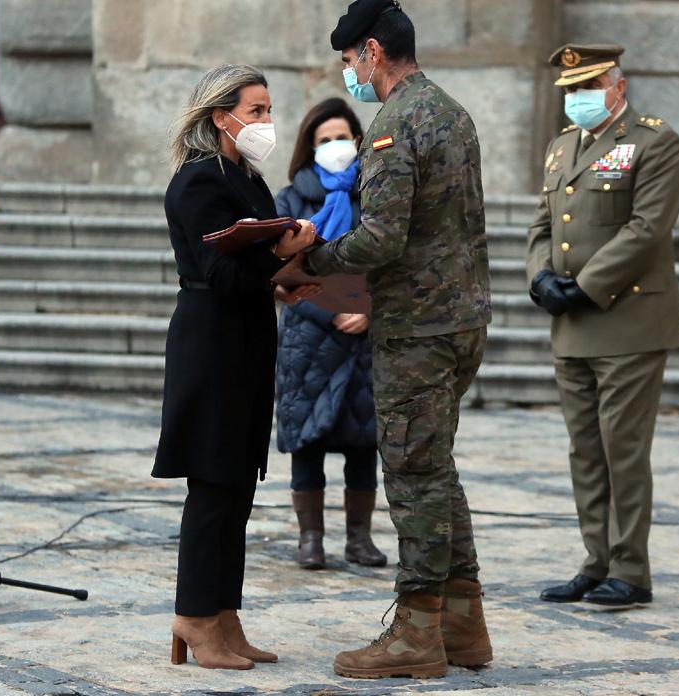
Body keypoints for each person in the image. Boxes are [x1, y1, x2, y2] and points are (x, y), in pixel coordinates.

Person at [304, 0, 493, 679]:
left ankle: (416, 633)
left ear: (372, 53)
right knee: (436, 469)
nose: (349, 72)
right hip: (462, 319)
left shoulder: (392, 124)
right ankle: (463, 625)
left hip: (417, 327)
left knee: (413, 476)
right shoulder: (450, 111)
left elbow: (381, 236)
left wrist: (312, 262)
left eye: (349, 59)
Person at [152, 63, 317, 671]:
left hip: (247, 340)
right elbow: (215, 274)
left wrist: (285, 280)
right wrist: (279, 252)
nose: (266, 122)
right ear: (221, 117)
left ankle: (224, 614)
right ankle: (193, 617)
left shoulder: (246, 178)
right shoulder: (197, 183)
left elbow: (248, 270)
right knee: (213, 486)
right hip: (211, 346)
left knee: (239, 486)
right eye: (256, 110)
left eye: (270, 110)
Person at [526, 44, 679, 609]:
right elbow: (543, 223)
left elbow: (647, 229)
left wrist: (586, 285)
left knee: (623, 448)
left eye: (588, 88)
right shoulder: (563, 145)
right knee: (585, 451)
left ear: (618, 87)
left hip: (628, 321)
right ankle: (596, 562)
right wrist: (540, 276)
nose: (578, 99)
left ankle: (631, 570)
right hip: (572, 324)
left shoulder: (653, 141)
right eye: (570, 91)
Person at [274, 97, 387, 570]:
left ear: (358, 142)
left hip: (366, 335)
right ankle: (311, 539)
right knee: (308, 440)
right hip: (309, 337)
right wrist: (331, 313)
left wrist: (369, 313)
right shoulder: (290, 199)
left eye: (342, 138)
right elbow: (281, 271)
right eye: (325, 141)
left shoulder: (378, 195)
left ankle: (359, 539)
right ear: (309, 147)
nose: (335, 147)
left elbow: (391, 264)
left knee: (364, 442)